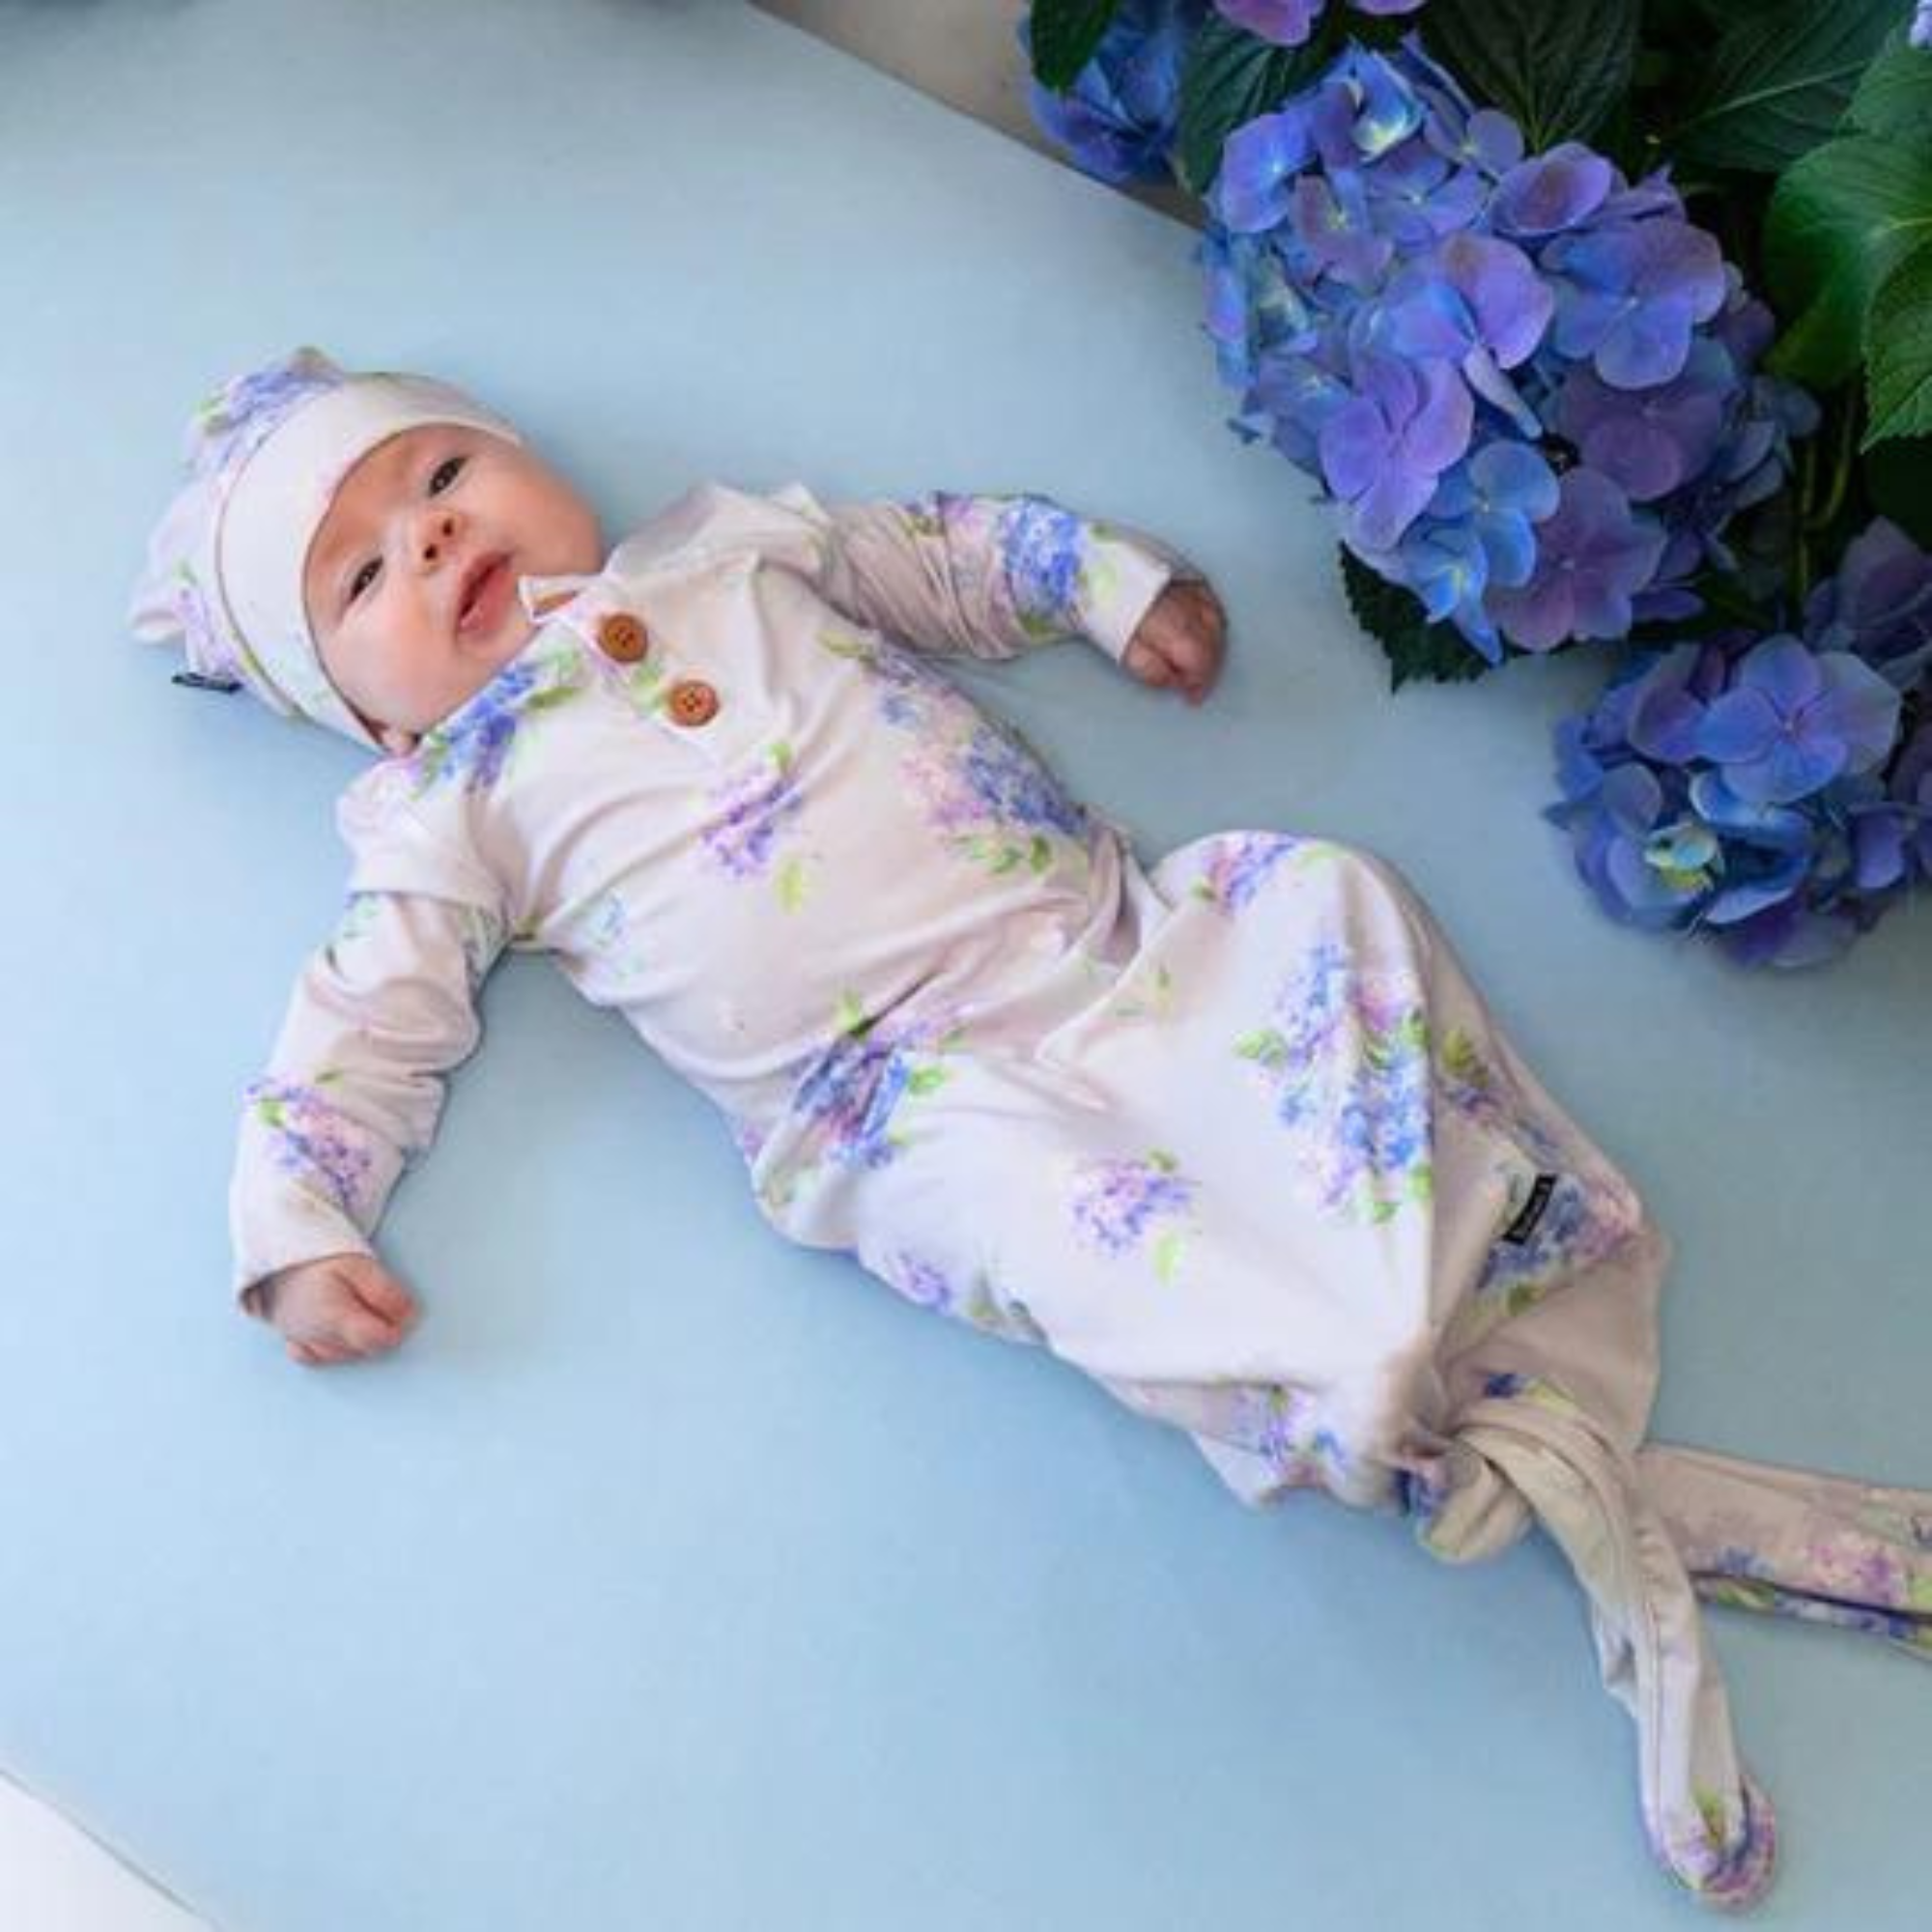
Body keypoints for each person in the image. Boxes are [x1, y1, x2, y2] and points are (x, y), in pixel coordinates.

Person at [129, 347, 1930, 1911]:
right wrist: (297, 1222)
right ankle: (1372, 1385)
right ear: (362, 717)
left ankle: (1455, 1285)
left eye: (442, 473)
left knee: (1321, 898)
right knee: (1078, 1233)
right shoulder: (450, 811)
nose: (431, 535)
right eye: (361, 571)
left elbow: (928, 555)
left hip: (1123, 940)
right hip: (906, 1107)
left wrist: (1101, 583)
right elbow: (363, 1024)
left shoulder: (725, 549)